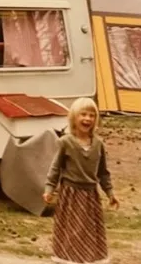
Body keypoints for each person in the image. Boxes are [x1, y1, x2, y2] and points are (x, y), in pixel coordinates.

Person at [43, 97, 120, 264]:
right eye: (83, 114)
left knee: (89, 229)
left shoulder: (98, 144)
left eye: (92, 115)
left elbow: (103, 172)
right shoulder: (65, 142)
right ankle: (70, 258)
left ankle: (88, 258)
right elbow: (55, 168)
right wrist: (49, 189)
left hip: (91, 195)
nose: (87, 119)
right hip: (70, 195)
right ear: (74, 117)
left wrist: (110, 193)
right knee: (73, 229)